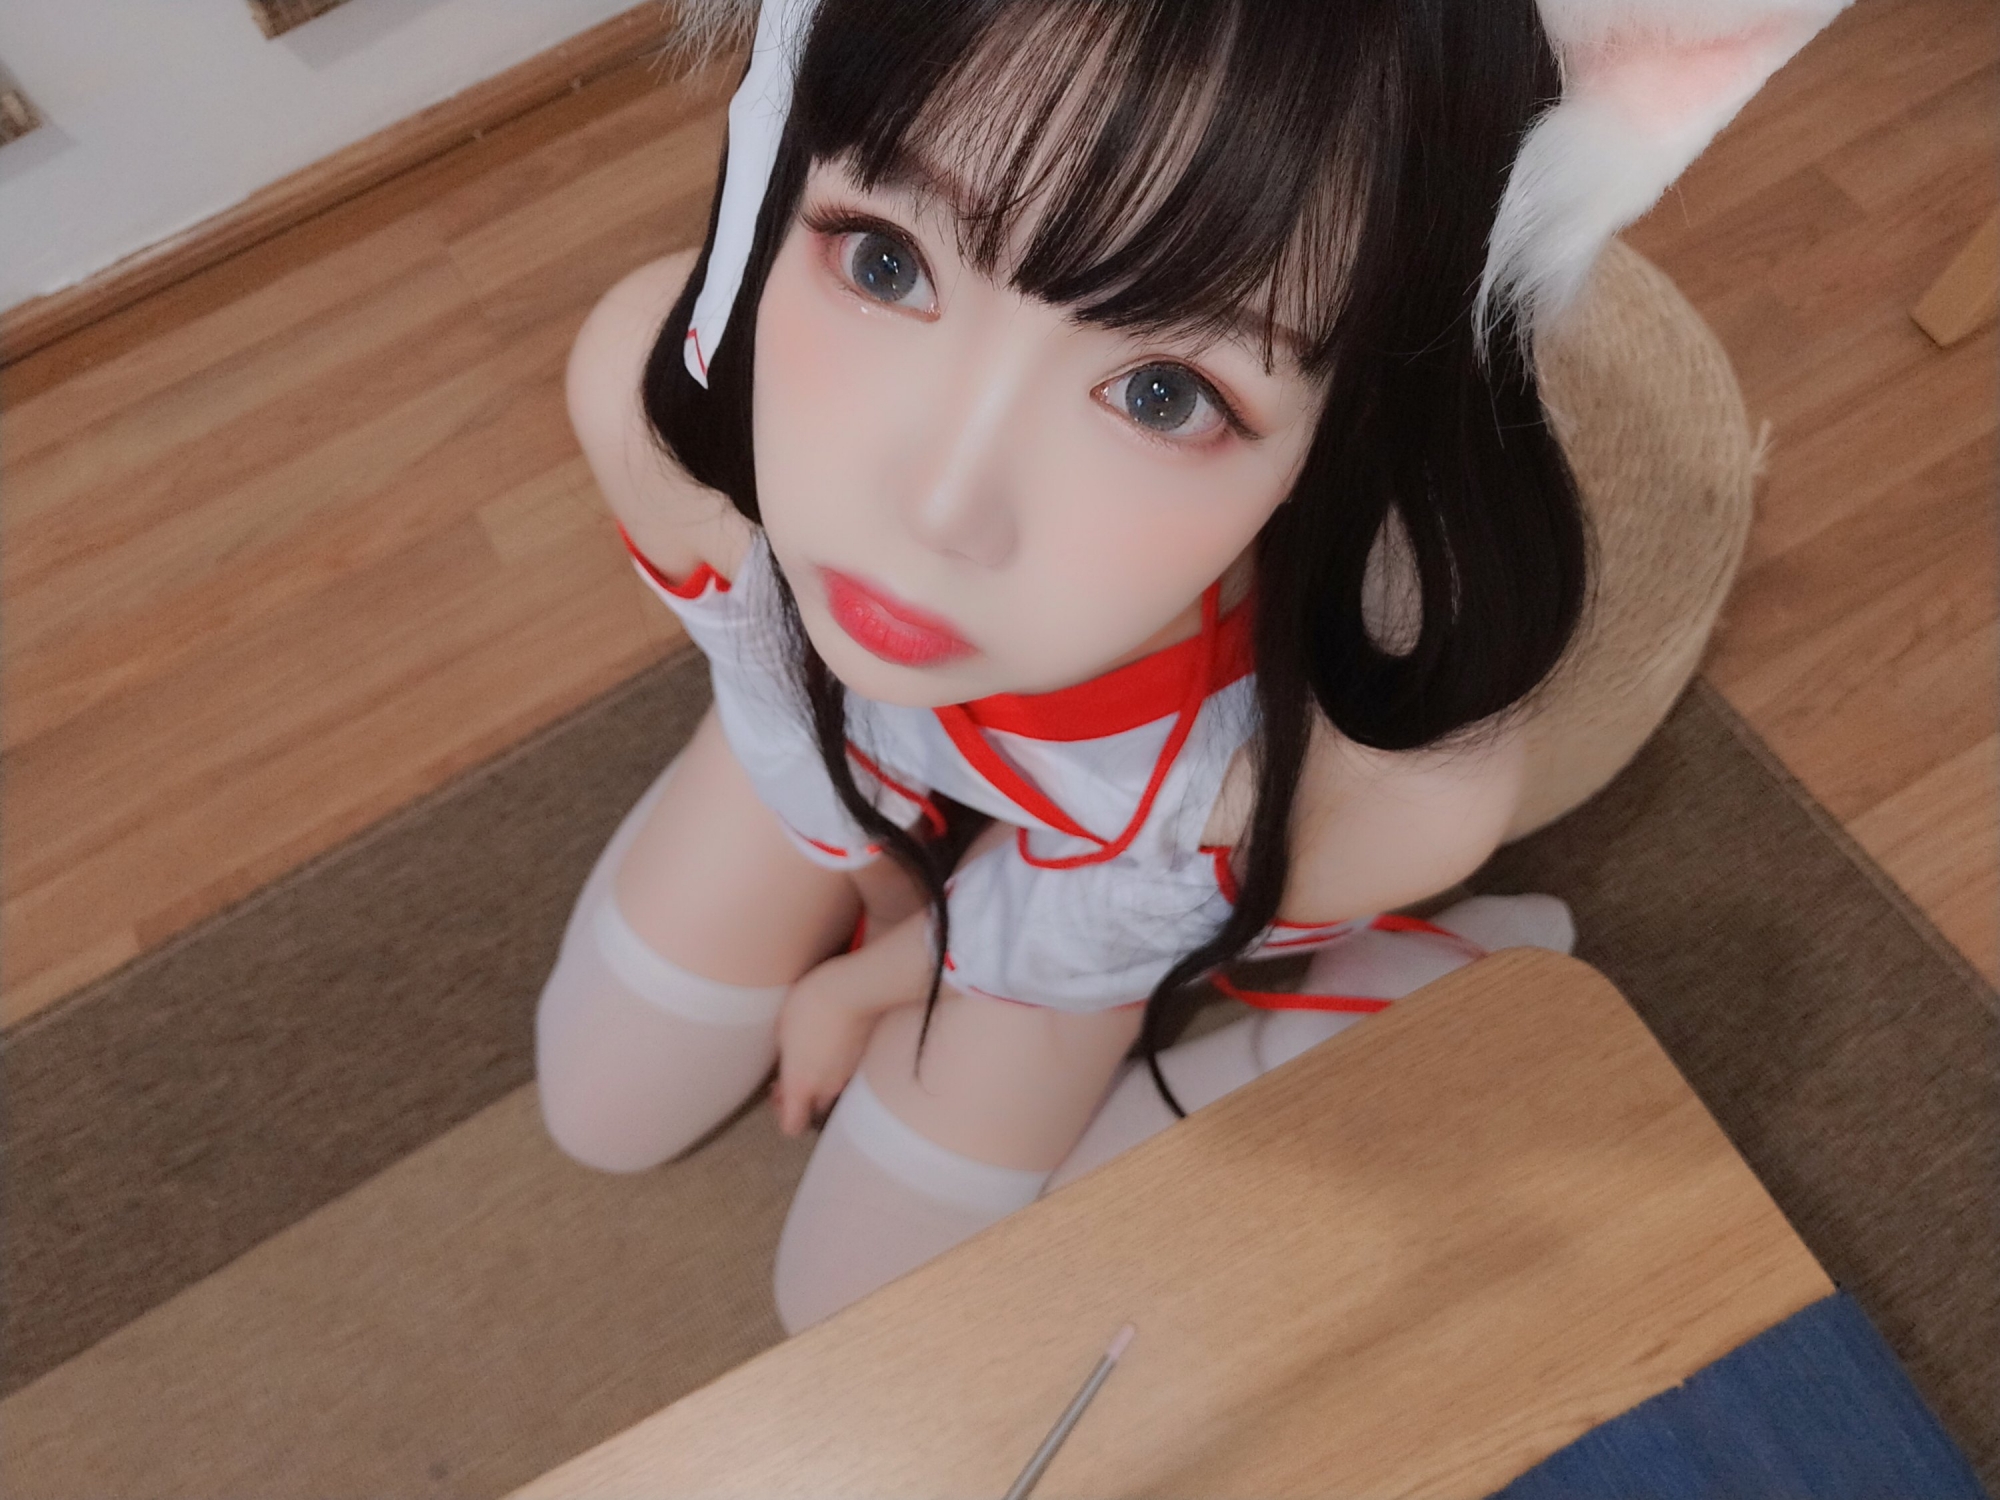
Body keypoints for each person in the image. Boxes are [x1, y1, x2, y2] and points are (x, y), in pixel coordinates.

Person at [536, 0, 1850, 1334]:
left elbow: (1078, 930)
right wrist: (853, 853)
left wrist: (877, 973)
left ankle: (1352, 1024)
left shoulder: (1344, 783)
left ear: (1342, 430)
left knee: (846, 1307)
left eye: (1164, 392)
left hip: (1096, 892)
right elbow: (763, 680)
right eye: (885, 260)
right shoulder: (656, 400)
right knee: (603, 1108)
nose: (937, 508)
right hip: (832, 741)